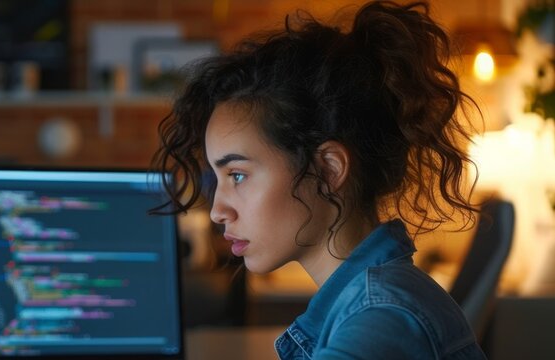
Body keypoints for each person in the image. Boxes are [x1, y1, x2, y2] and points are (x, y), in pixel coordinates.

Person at [152, 1, 486, 359]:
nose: (218, 211)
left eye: (237, 175)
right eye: (218, 179)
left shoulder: (382, 319)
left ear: (328, 169)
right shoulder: (372, 302)